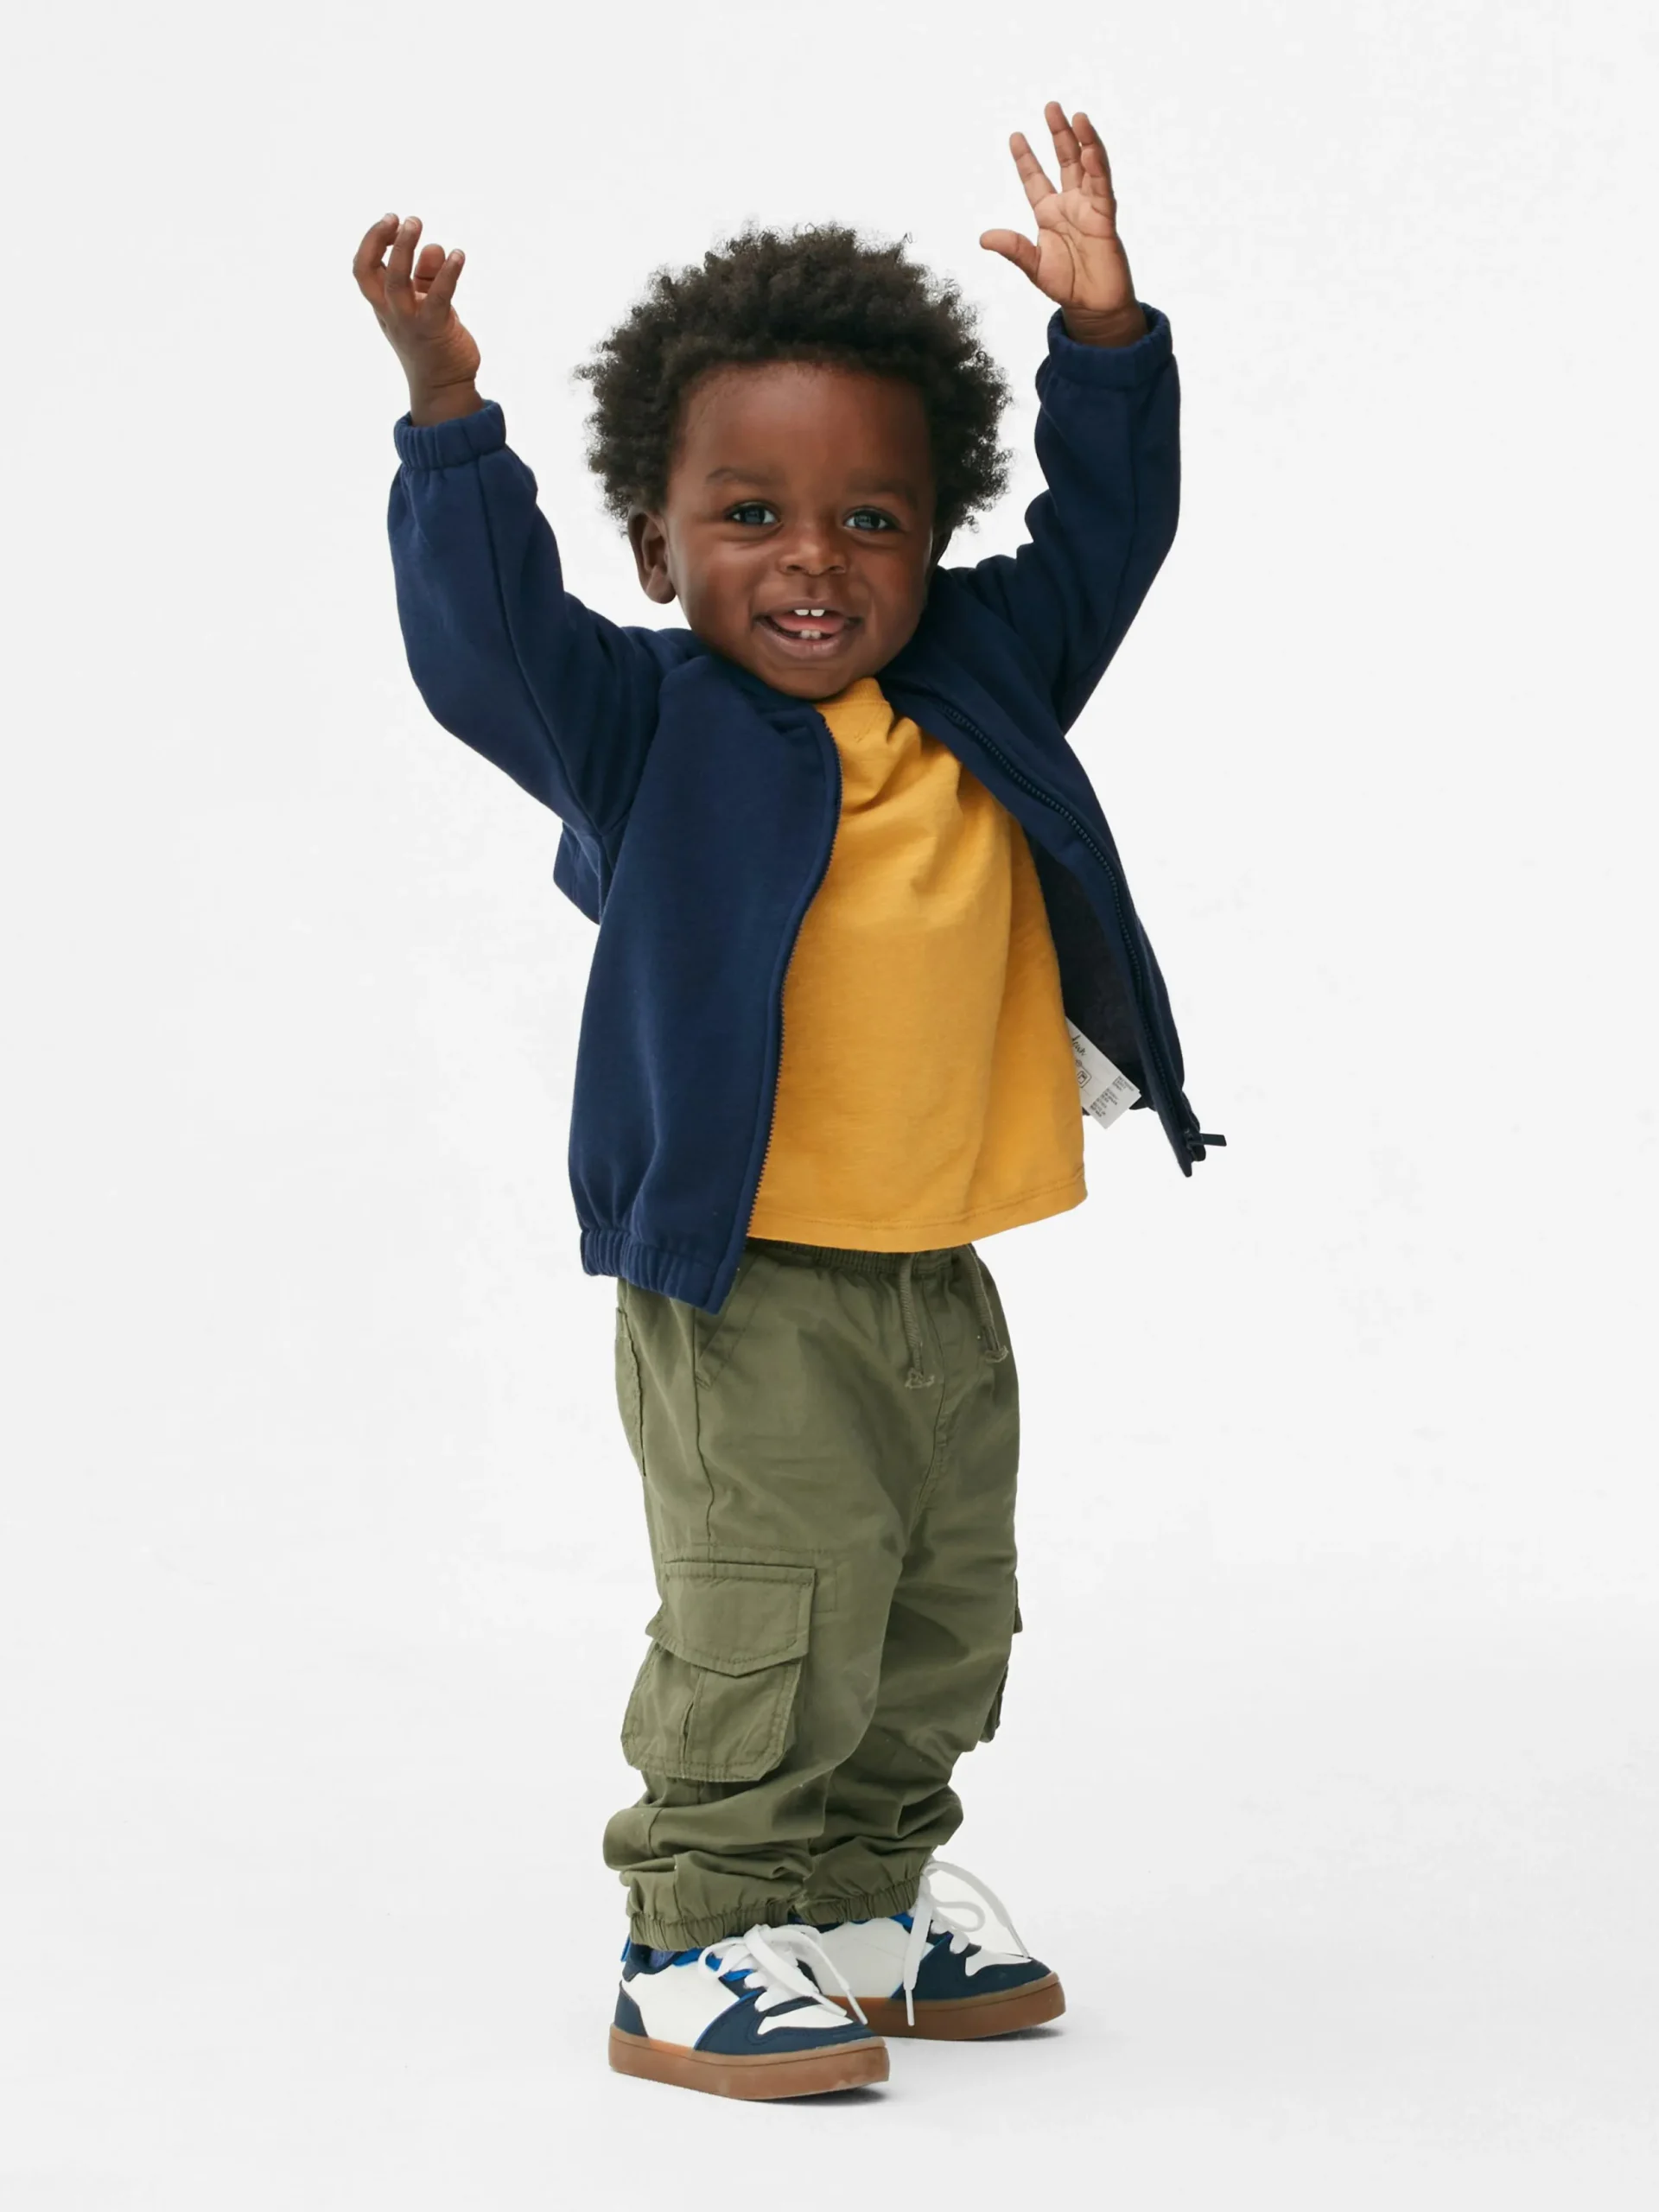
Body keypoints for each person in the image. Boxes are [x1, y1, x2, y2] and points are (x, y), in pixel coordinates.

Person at [353, 97, 1221, 2103]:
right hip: (744, 1286)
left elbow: (1113, 532)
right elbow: (484, 649)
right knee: (779, 1606)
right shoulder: (642, 724)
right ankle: (698, 1928)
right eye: (749, 514)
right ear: (658, 543)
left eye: (871, 520)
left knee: (938, 1605)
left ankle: (859, 1894)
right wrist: (449, 421)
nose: (814, 559)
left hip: (938, 1269)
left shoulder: (985, 674)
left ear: (935, 534)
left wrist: (1105, 338)